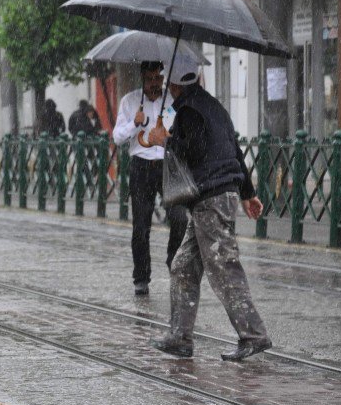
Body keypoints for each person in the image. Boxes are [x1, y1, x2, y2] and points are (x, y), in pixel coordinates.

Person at [146, 54, 271, 362]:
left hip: (211, 199)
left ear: (175, 84)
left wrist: (166, 140)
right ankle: (180, 337)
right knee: (183, 266)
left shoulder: (189, 112)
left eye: (168, 82)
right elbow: (234, 152)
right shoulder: (213, 107)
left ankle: (253, 334)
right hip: (214, 197)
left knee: (223, 268)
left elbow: (195, 151)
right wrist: (247, 193)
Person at [112, 61, 188, 296]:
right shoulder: (130, 101)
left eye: (158, 79)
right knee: (141, 226)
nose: (155, 84)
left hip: (166, 165)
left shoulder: (171, 101)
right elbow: (117, 137)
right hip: (141, 167)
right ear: (142, 79)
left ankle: (173, 262)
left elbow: (180, 130)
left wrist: (172, 129)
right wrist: (135, 124)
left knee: (179, 218)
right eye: (150, 79)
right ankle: (141, 278)